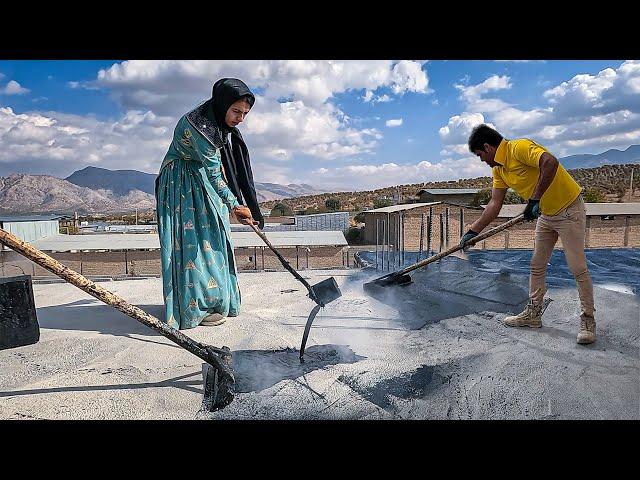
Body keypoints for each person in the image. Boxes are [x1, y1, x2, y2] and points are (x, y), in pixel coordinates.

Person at [460, 124, 596, 344]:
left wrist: (534, 200)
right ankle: (533, 314)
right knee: (537, 264)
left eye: (480, 155)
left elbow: (550, 162)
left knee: (577, 267)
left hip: (569, 209)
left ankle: (588, 320)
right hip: (546, 214)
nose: (482, 160)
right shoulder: (499, 170)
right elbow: (494, 204)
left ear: (488, 147)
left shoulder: (519, 148)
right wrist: (472, 231)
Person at [155, 78, 264, 329]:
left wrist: (235, 204)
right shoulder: (200, 128)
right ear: (223, 104)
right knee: (194, 246)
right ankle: (196, 307)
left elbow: (220, 168)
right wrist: (235, 205)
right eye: (236, 111)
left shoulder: (215, 120)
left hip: (200, 177)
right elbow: (215, 173)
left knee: (215, 238)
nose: (240, 119)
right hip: (182, 183)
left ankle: (216, 299)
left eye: (245, 113)